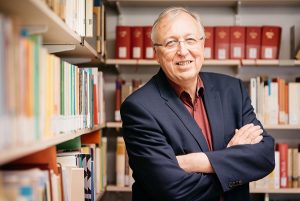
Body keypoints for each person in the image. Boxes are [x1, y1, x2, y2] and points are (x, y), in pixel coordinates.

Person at [120, 7, 275, 201]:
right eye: (170, 43)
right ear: (156, 53)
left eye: (190, 40)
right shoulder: (138, 108)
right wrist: (233, 163)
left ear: (203, 45)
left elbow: (265, 157)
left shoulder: (232, 90)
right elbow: (172, 189)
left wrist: (196, 162)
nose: (183, 51)